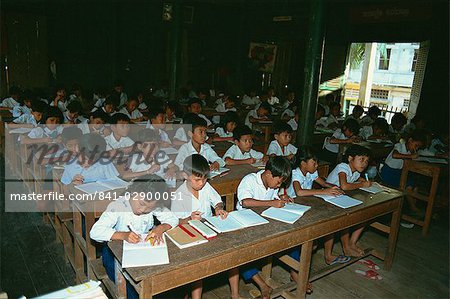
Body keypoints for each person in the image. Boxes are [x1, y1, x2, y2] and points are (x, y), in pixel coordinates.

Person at [90, 176, 178, 299]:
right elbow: (95, 232)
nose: (142, 210)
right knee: (132, 289)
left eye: (149, 209)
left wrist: (160, 228)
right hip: (114, 253)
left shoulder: (152, 204)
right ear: (133, 192)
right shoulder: (118, 206)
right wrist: (123, 235)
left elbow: (173, 219)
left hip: (141, 251)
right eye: (141, 204)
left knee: (161, 280)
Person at [236, 156, 292, 299]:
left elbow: (273, 198)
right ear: (268, 173)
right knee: (242, 254)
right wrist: (272, 203)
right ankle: (262, 284)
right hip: (245, 223)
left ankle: (296, 273)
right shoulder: (249, 180)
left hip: (264, 221)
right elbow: (246, 202)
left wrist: (281, 198)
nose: (279, 185)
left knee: (291, 237)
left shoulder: (271, 185)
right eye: (278, 182)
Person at [326, 145, 372, 257]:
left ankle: (352, 243)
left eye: (366, 161)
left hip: (340, 198)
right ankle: (346, 248)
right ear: (350, 158)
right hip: (327, 199)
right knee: (347, 219)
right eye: (361, 159)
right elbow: (344, 186)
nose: (364, 164)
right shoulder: (343, 167)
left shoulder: (355, 171)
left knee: (364, 216)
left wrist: (364, 181)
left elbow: (356, 178)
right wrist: (363, 184)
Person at [381, 130, 426, 220]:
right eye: (416, 145)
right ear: (410, 140)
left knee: (414, 186)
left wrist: (412, 156)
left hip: (399, 173)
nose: (416, 148)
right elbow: (395, 155)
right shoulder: (399, 146)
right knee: (408, 187)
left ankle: (410, 209)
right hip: (388, 172)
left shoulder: (410, 152)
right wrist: (410, 157)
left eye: (418, 147)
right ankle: (413, 208)